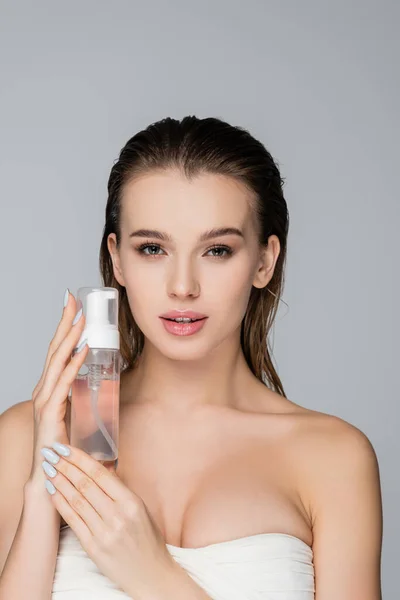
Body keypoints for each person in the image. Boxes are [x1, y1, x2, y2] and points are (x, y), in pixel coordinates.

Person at [0, 115, 383, 599]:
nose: (183, 287)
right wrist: (42, 492)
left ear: (265, 260)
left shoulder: (333, 459)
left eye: (217, 250)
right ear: (117, 259)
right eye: (153, 248)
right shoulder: (25, 439)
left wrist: (154, 577)